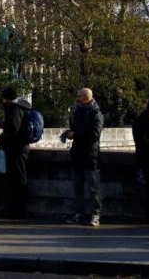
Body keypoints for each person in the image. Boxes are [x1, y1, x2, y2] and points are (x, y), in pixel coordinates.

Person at [63, 88, 104, 226]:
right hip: (78, 154)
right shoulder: (77, 112)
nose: (77, 98)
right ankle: (79, 213)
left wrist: (76, 134)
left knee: (94, 187)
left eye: (79, 96)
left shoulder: (96, 114)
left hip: (91, 156)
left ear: (87, 97)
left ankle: (95, 213)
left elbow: (94, 136)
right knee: (77, 187)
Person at [0, 87, 31, 219]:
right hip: (21, 146)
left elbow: (13, 128)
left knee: (17, 177)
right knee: (19, 176)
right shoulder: (23, 106)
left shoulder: (14, 108)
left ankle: (18, 208)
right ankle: (18, 207)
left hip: (15, 147)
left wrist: (3, 138)